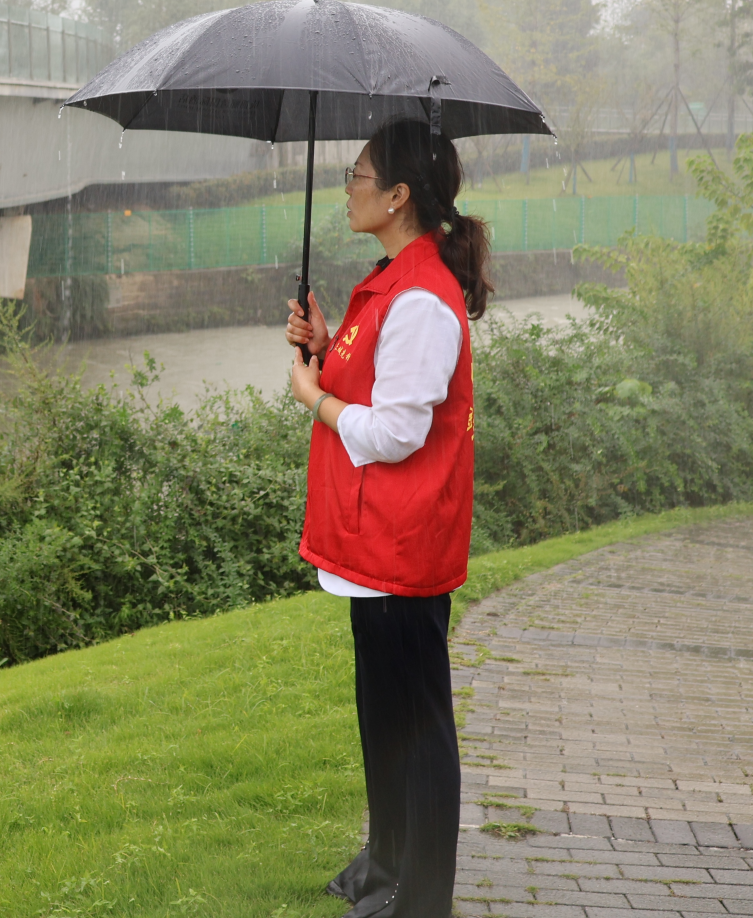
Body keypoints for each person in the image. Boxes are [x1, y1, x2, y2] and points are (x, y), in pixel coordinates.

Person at [284, 117, 492, 918]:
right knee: (384, 714)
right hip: (374, 542)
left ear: (399, 195)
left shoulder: (422, 301)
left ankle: (424, 897)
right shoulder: (393, 285)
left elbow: (399, 430)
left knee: (420, 725)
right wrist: (328, 341)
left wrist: (316, 398)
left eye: (358, 175)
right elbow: (381, 379)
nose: (347, 186)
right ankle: (386, 862)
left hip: (404, 544)